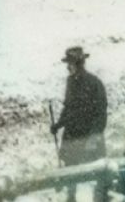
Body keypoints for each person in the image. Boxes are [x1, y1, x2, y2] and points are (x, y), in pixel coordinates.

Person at [50, 47, 108, 202]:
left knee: (98, 172)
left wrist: (94, 137)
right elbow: (68, 107)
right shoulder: (70, 82)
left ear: (79, 63)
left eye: (70, 64)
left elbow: (101, 114)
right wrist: (59, 124)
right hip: (72, 133)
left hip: (89, 135)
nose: (67, 67)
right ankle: (71, 198)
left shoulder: (95, 83)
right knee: (71, 172)